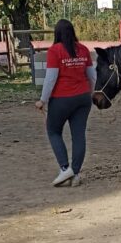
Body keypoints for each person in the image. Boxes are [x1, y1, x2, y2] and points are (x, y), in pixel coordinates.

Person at [35, 19, 96, 186]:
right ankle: (75, 173)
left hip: (61, 99)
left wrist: (43, 100)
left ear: (57, 33)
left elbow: (51, 78)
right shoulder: (83, 49)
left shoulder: (55, 51)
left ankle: (64, 168)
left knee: (53, 131)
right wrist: (90, 93)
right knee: (79, 135)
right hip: (83, 98)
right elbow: (92, 76)